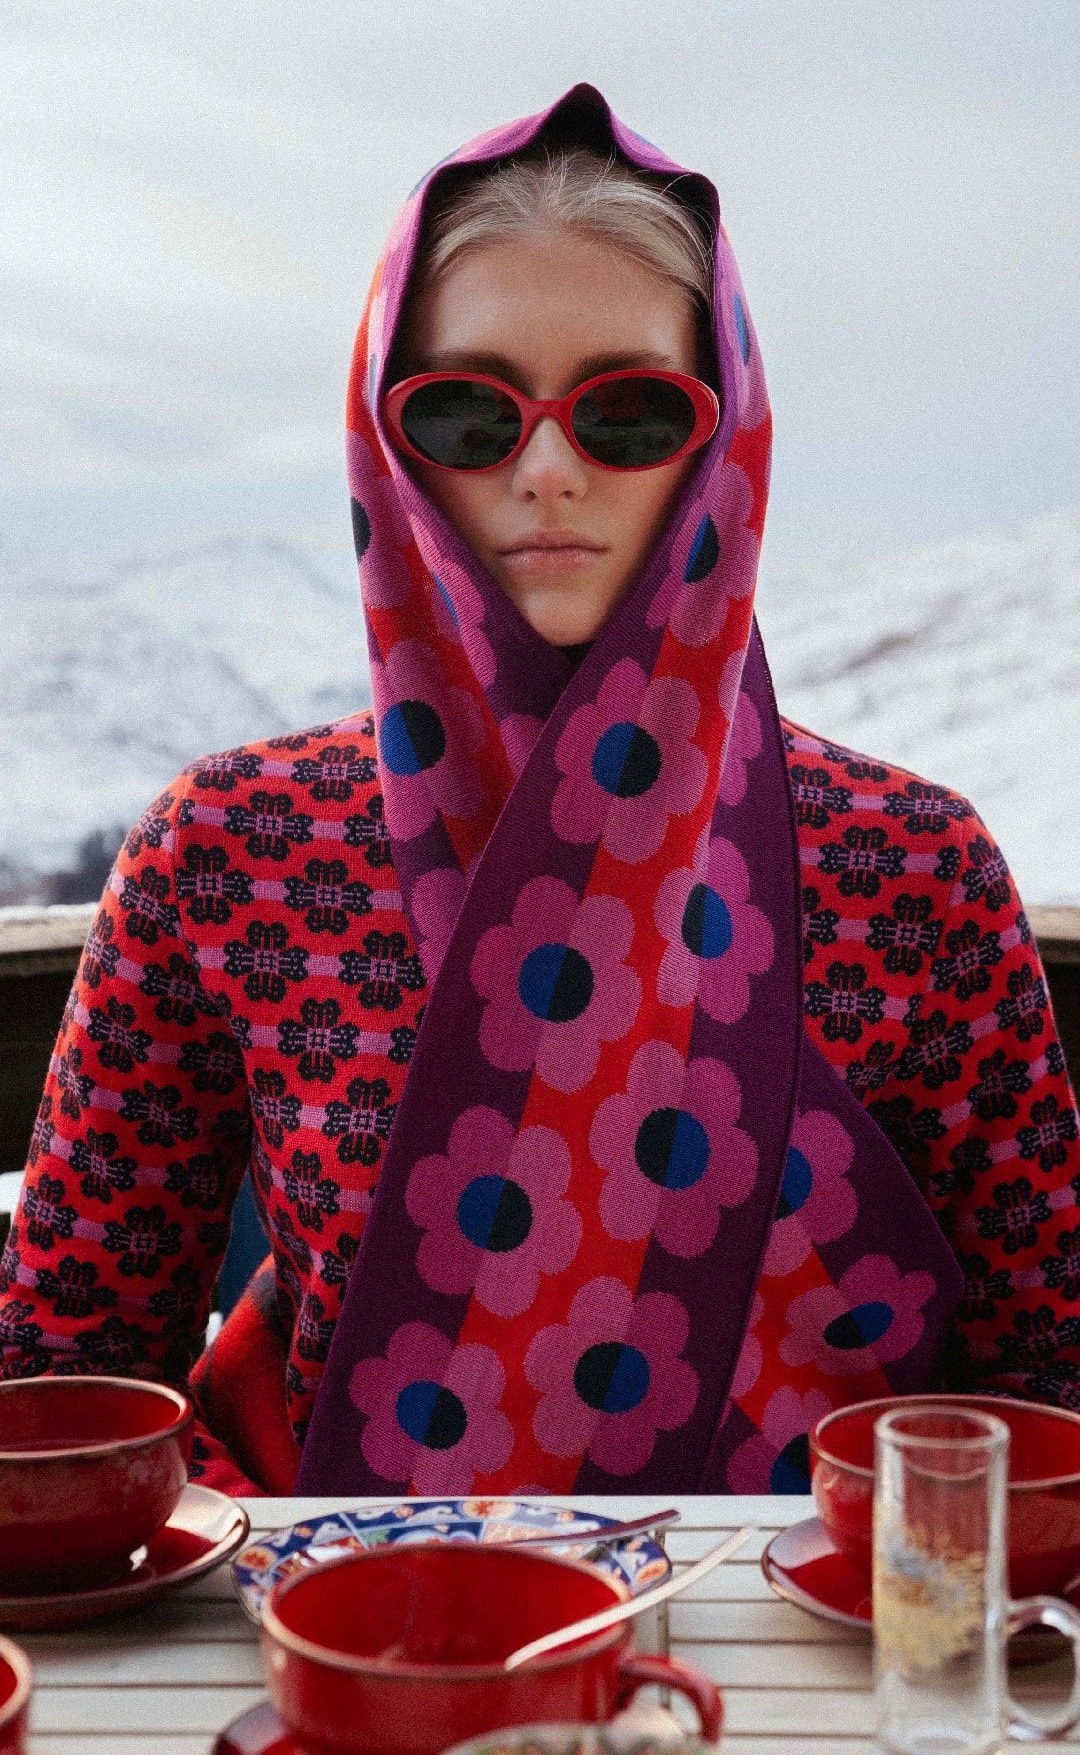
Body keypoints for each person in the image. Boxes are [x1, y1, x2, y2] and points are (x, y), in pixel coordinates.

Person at [3, 82, 1078, 1499]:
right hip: (359, 1661)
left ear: (723, 436)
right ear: (389, 443)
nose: (551, 470)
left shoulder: (911, 869)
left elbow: (1048, 1382)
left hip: (836, 1665)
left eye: (630, 411)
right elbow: (62, 1383)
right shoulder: (233, 854)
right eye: (467, 412)